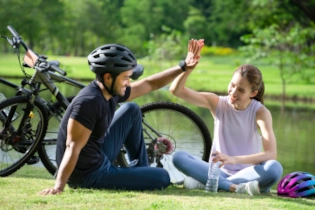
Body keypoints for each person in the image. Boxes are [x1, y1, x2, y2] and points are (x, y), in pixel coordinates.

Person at [40, 39, 203, 195]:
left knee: (131, 109)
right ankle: (139, 174)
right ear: (108, 77)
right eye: (125, 78)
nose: (128, 82)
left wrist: (183, 67)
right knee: (163, 177)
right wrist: (58, 187)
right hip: (88, 175)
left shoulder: (109, 92)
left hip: (98, 155)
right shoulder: (88, 102)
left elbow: (150, 84)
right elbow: (72, 147)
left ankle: (140, 169)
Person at [169, 63, 283, 196]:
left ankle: (209, 183)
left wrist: (234, 159)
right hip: (217, 170)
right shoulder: (217, 103)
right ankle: (236, 187)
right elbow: (176, 90)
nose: (233, 92)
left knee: (274, 168)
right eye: (232, 85)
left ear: (253, 93)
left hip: (248, 172)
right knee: (179, 157)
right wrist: (188, 68)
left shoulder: (260, 112)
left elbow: (271, 154)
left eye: (241, 90)